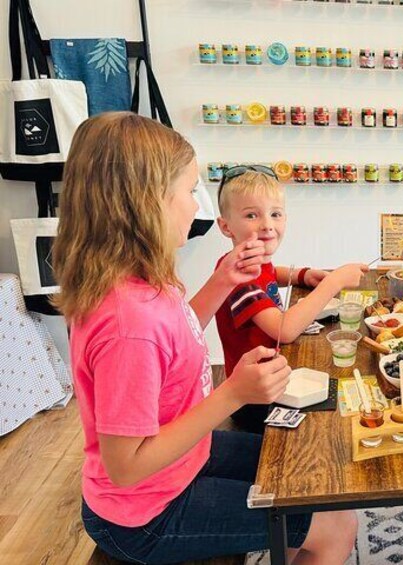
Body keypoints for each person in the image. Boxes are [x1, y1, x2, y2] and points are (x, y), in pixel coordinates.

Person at [53, 112, 357, 564]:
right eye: (188, 191)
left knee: (313, 472)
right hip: (146, 513)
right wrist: (233, 393)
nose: (195, 206)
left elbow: (176, 338)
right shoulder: (128, 324)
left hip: (182, 462)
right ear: (147, 202)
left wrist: (221, 282)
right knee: (336, 524)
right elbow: (126, 465)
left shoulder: (138, 281)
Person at [214, 167, 368, 433]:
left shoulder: (251, 260)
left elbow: (271, 273)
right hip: (257, 398)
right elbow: (284, 330)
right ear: (226, 227)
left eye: (275, 214)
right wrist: (333, 282)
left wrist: (300, 275)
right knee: (331, 429)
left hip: (272, 377)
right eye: (252, 215)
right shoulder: (238, 279)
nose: (267, 225)